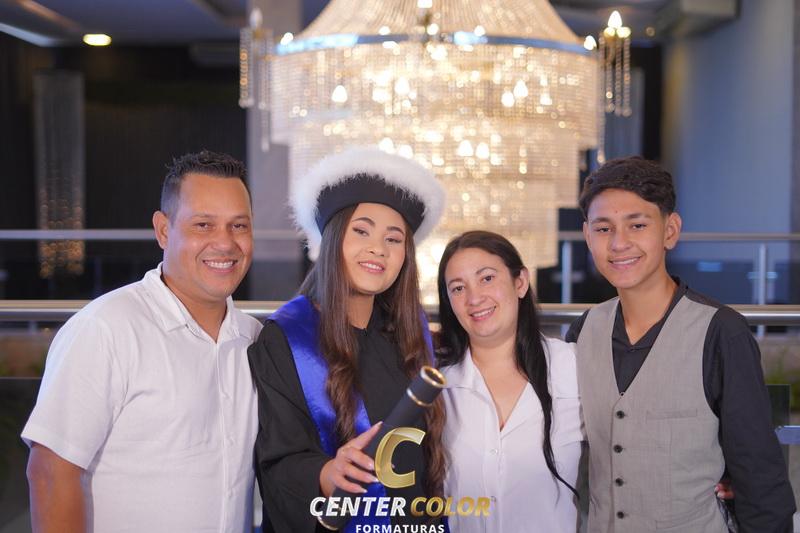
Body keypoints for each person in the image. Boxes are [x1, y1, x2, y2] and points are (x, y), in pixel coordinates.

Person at [22, 151, 261, 533]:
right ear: (163, 230)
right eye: (203, 225)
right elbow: (50, 473)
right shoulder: (106, 328)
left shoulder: (255, 340)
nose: (225, 242)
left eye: (239, 226)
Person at [565, 156, 795, 532]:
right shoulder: (582, 333)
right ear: (588, 236)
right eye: (603, 229)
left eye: (637, 225)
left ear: (670, 231)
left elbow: (760, 480)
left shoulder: (722, 333)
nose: (619, 243)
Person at [248, 146, 447, 532]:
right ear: (333, 237)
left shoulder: (410, 336)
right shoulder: (286, 338)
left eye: (394, 239)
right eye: (361, 231)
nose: (378, 249)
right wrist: (327, 473)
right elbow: (277, 460)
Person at [437, 230, 583, 533]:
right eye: (458, 288)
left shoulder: (573, 367)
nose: (474, 298)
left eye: (487, 278)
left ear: (520, 282)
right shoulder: (438, 385)